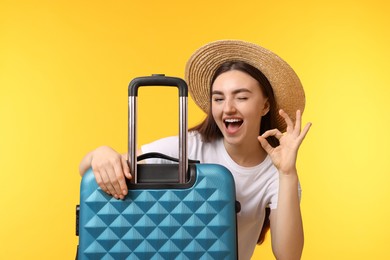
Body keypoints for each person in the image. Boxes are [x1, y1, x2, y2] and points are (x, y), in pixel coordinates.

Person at [79, 40, 311, 260]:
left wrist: (288, 173)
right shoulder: (189, 146)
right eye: (218, 99)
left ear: (265, 105)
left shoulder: (276, 171)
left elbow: (288, 256)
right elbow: (87, 168)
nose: (228, 108)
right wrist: (101, 153)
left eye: (241, 97)